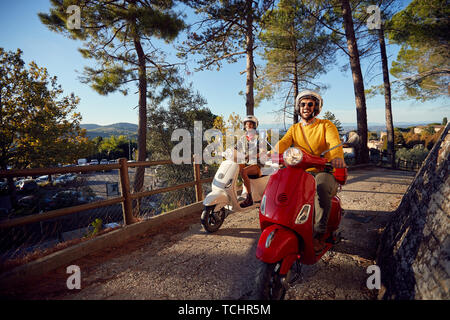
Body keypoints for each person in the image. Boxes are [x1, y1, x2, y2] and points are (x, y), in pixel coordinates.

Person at [270, 90, 346, 253]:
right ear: (299, 107)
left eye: (310, 104)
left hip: (323, 170)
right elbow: (283, 143)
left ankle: (318, 234)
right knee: (280, 185)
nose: (306, 107)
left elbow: (334, 143)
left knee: (320, 188)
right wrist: (271, 153)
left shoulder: (326, 125)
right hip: (300, 170)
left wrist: (336, 157)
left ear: (316, 107)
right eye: (303, 104)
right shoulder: (295, 128)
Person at [235, 115, 262, 208]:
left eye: (251, 124)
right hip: (247, 163)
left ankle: (249, 198)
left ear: (254, 126)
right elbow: (235, 149)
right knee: (235, 167)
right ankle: (233, 193)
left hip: (257, 165)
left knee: (244, 171)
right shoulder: (243, 138)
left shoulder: (259, 138)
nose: (248, 126)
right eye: (247, 124)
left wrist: (252, 155)